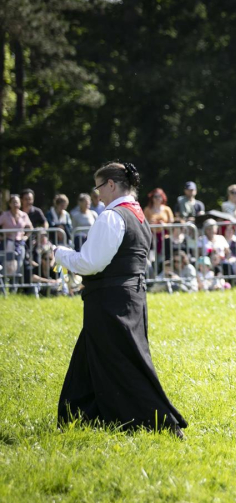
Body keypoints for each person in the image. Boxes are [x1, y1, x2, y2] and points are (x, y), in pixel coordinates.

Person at [54, 162, 186, 438]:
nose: (97, 195)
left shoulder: (112, 216)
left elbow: (90, 263)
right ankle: (80, 416)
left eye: (98, 187)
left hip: (110, 301)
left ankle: (163, 423)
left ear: (111, 185)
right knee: (91, 357)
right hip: (129, 298)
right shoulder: (138, 215)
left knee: (123, 364)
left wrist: (59, 254)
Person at [0, 194, 34, 284]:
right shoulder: (4, 215)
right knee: (5, 265)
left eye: (17, 202)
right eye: (13, 202)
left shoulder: (24, 215)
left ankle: (14, 288)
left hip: (19, 244)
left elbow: (30, 228)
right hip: (7, 244)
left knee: (19, 265)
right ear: (10, 204)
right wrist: (2, 236)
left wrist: (26, 237)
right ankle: (3, 286)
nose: (15, 204)